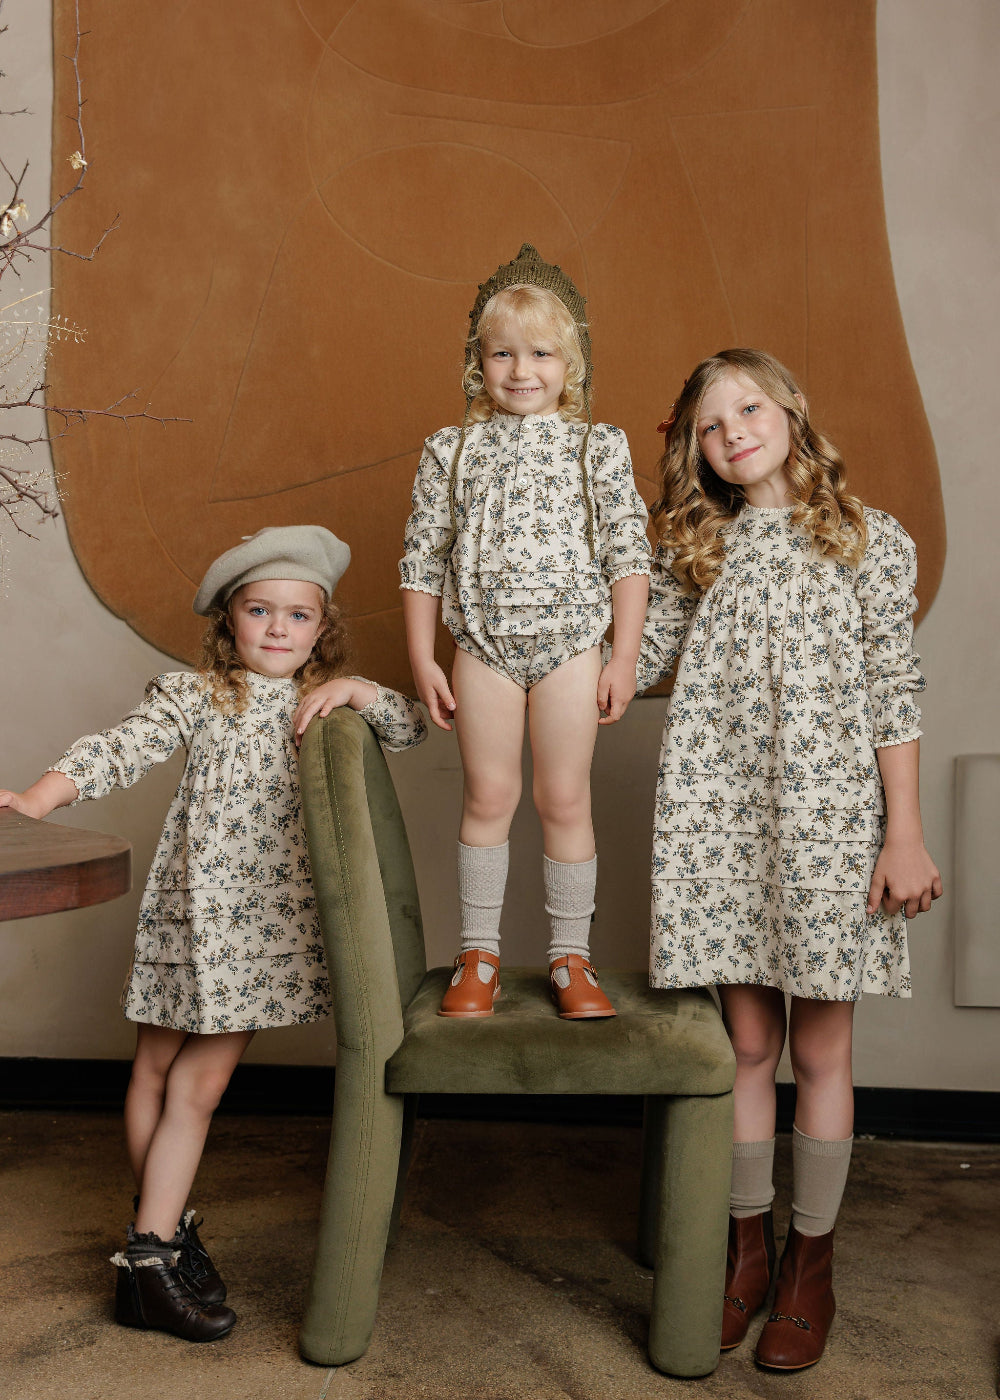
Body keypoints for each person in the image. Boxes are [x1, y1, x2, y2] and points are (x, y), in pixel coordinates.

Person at [0, 525, 425, 1343]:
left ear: (321, 627)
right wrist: (38, 798)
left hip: (258, 929)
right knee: (162, 1075)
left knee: (186, 1084)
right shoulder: (197, 693)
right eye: (258, 610)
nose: (276, 629)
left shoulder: (322, 702)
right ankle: (154, 1257)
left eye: (297, 616)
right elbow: (119, 749)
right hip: (187, 912)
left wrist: (362, 692)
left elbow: (409, 727)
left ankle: (158, 1240)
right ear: (229, 621)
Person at [636, 349, 941, 1370]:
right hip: (722, 819)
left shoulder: (866, 538)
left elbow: (894, 690)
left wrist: (902, 830)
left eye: (748, 408)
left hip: (827, 823)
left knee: (820, 1052)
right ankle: (742, 1253)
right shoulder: (697, 551)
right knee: (746, 1047)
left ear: (790, 412)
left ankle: (809, 1260)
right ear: (697, 452)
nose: (733, 432)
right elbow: (624, 663)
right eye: (710, 426)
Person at [399, 244, 650, 1018]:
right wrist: (422, 655)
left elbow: (628, 554)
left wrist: (624, 655)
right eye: (502, 353)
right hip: (482, 647)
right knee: (490, 792)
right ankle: (477, 956)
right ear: (479, 362)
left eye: (540, 353)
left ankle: (572, 960)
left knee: (563, 796)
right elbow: (422, 555)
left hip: (573, 644)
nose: (521, 370)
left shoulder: (596, 445)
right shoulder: (452, 448)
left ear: (569, 362)